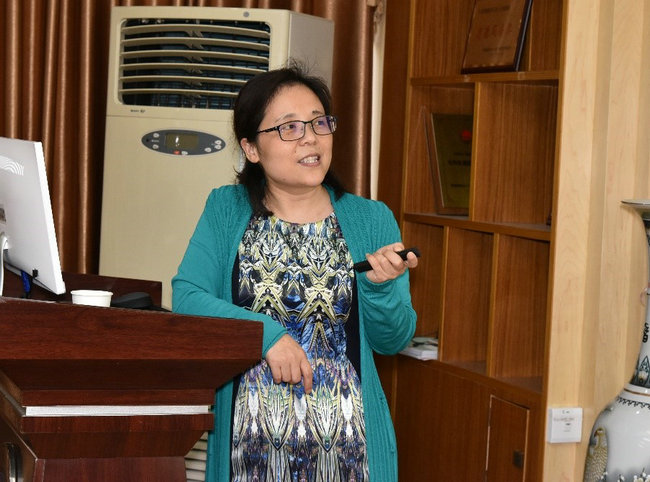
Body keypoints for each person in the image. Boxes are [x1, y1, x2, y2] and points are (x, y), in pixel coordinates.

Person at [172, 63, 417, 482]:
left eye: (319, 122)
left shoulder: (371, 219)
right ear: (251, 148)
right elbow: (187, 298)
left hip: (350, 457)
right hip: (248, 457)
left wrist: (380, 287)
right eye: (289, 127)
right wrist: (266, 336)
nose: (310, 137)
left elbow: (393, 340)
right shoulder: (226, 208)